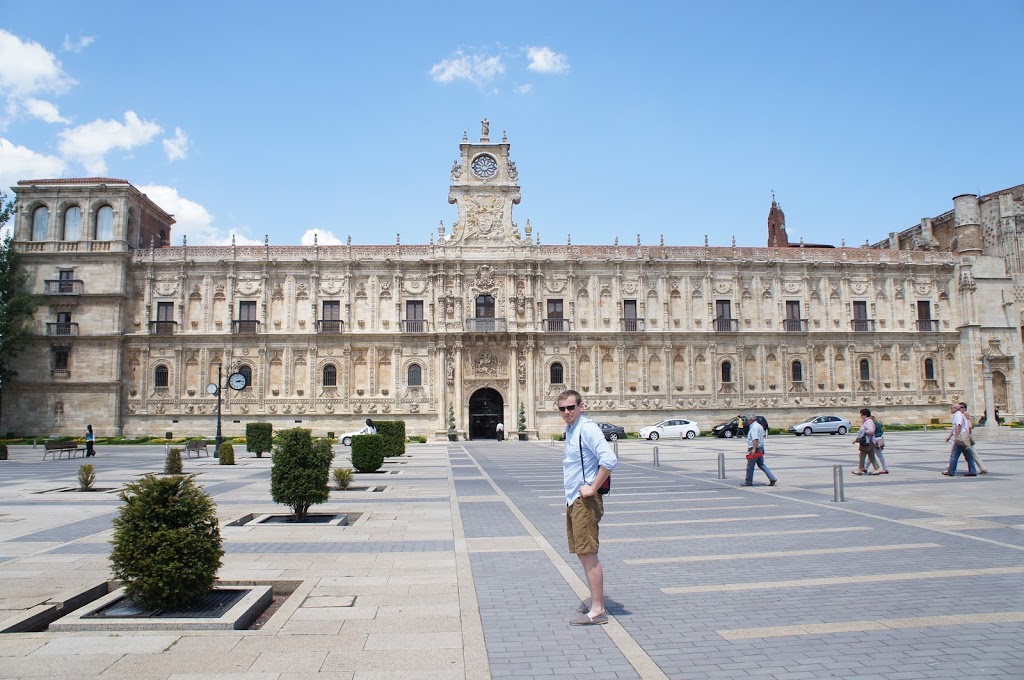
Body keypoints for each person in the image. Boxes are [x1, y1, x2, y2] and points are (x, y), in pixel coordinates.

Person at [557, 389, 616, 626]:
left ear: (581, 407)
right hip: (574, 499)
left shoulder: (587, 428)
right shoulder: (572, 429)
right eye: (562, 409)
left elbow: (609, 459)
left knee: (588, 553)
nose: (567, 412)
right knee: (583, 552)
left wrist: (593, 488)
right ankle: (595, 601)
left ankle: (598, 609)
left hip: (585, 501)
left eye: (571, 407)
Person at [741, 413, 777, 487]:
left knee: (750, 466)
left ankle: (748, 481)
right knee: (761, 464)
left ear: (751, 419)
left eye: (748, 420)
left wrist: (753, 449)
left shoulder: (754, 427)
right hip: (760, 448)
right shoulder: (759, 426)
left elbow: (755, 439)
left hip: (756, 448)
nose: (747, 421)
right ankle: (772, 478)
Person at [943, 403, 977, 477]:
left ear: (955, 408)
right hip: (964, 438)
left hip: (960, 438)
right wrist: (950, 436)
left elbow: (958, 426)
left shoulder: (958, 415)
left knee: (954, 456)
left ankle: (951, 471)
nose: (951, 409)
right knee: (968, 455)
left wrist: (956, 437)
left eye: (951, 408)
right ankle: (972, 470)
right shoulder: (961, 415)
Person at [958, 402, 987, 474]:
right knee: (957, 453)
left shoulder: (966, 415)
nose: (960, 409)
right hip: (962, 437)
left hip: (964, 437)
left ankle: (949, 468)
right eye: (959, 407)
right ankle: (982, 468)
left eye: (961, 407)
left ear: (965, 409)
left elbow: (970, 426)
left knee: (956, 454)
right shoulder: (960, 415)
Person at [851, 408, 880, 475]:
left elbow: (871, 430)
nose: (860, 416)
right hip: (870, 441)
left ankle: (860, 469)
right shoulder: (868, 421)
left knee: (862, 455)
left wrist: (863, 431)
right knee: (871, 456)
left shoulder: (868, 422)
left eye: (861, 415)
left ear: (865, 415)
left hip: (867, 442)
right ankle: (876, 469)